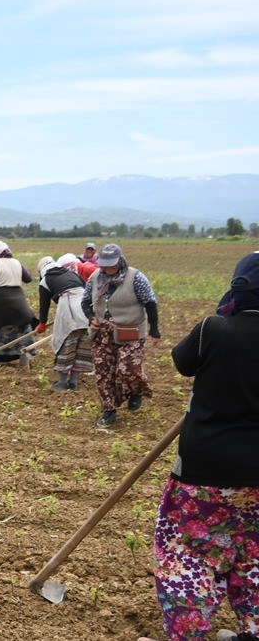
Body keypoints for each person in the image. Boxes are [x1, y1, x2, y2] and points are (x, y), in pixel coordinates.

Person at [147, 251, 259, 641]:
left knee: (187, 554)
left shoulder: (214, 329)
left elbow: (182, 361)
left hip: (205, 470)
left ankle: (191, 634)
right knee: (253, 556)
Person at [81, 243, 161, 428]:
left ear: (120, 261)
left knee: (128, 369)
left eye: (112, 264)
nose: (108, 268)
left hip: (130, 331)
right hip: (102, 333)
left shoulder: (135, 278)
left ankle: (135, 391)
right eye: (105, 264)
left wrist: (154, 329)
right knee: (103, 372)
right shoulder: (95, 278)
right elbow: (85, 302)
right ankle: (109, 410)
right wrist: (91, 317)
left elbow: (150, 302)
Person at [36, 256, 92, 391]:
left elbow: (44, 306)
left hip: (68, 306)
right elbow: (86, 289)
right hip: (85, 308)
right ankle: (73, 383)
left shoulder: (45, 281)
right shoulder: (72, 273)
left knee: (65, 341)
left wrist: (42, 323)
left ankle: (62, 382)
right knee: (81, 343)